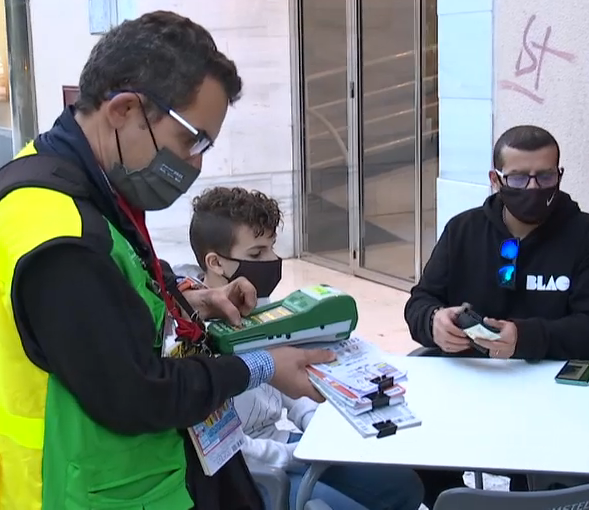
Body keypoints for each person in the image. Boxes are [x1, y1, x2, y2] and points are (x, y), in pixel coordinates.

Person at [0, 11, 335, 510]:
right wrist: (261, 366)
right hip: (70, 491)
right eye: (192, 139)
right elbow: (138, 392)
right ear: (125, 110)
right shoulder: (64, 241)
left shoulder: (64, 181)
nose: (196, 163)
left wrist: (194, 300)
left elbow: (113, 301)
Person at [403, 124, 589, 506]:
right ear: (496, 179)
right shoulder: (463, 230)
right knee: (412, 445)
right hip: (469, 385)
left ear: (560, 175)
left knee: (548, 479)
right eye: (519, 177)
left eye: (545, 176)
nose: (534, 189)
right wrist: (434, 322)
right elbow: (419, 303)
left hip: (555, 393)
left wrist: (526, 339)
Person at [175, 186, 426, 510]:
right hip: (242, 469)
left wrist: (316, 429)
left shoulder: (260, 307)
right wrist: (299, 454)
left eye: (272, 248)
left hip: (287, 444)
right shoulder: (189, 334)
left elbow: (288, 386)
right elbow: (225, 444)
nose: (272, 261)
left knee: (402, 487)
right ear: (215, 262)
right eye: (257, 254)